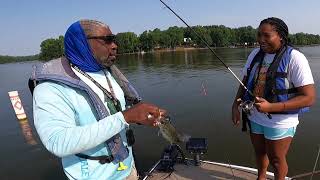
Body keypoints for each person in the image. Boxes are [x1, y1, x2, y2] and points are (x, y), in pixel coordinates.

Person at [29, 19, 166, 180]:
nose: (114, 45)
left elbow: (115, 112)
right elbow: (58, 142)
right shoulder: (50, 88)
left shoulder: (108, 72)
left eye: (114, 40)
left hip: (127, 168)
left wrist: (140, 117)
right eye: (107, 40)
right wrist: (126, 117)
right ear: (81, 43)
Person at [232, 17, 316, 180]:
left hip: (280, 121)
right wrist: (234, 106)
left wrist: (271, 107)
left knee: (276, 160)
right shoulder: (255, 54)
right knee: (260, 152)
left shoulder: (295, 58)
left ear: (281, 36)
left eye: (266, 35)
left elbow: (309, 97)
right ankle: (261, 178)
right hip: (255, 116)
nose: (261, 40)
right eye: (259, 35)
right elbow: (244, 81)